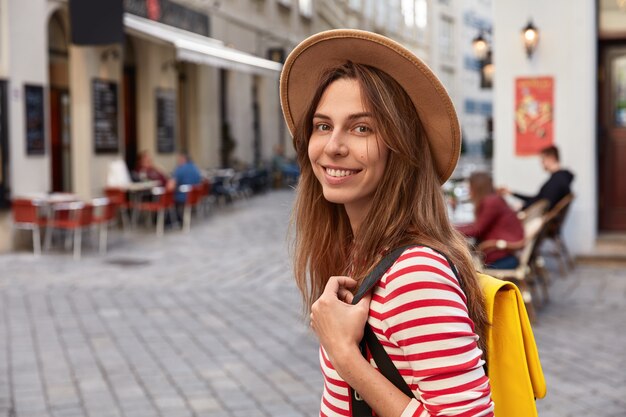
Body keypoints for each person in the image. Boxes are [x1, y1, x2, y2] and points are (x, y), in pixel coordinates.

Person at [281, 30, 493, 417]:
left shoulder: (415, 273)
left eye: (362, 128)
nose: (333, 146)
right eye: (323, 125)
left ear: (402, 147)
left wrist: (347, 358)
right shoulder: (362, 254)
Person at [457, 172, 525, 269]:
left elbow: (477, 229)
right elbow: (478, 226)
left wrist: (449, 229)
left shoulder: (491, 202)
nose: (468, 190)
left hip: (501, 258)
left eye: (470, 187)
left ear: (477, 187)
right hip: (505, 254)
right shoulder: (493, 199)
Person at [499, 145, 574, 211]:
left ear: (551, 158)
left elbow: (543, 204)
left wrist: (523, 207)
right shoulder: (560, 179)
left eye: (543, 160)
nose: (542, 164)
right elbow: (538, 199)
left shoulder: (556, 181)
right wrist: (512, 193)